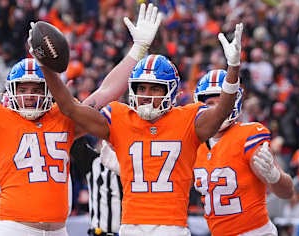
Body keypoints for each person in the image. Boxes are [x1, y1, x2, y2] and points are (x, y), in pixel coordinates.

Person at [0, 0, 162, 234]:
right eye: (23, 89)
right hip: (16, 228)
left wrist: (138, 50)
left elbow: (106, 91)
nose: (29, 95)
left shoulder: (62, 116)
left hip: (58, 230)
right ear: (11, 91)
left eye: (35, 88)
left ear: (48, 91)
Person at [32, 16, 244, 235]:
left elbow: (221, 112)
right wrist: (45, 66)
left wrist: (233, 70)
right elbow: (70, 109)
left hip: (171, 227)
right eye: (141, 88)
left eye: (155, 89)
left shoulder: (188, 118)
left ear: (170, 91)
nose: (146, 95)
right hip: (131, 226)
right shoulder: (120, 116)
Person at [192, 69, 294, 235]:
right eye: (210, 103)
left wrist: (274, 176)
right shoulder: (196, 145)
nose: (218, 109)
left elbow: (287, 192)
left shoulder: (248, 135)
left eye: (223, 101)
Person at [71, 138, 122, 236]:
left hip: (127, 231)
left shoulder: (132, 162)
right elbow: (75, 140)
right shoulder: (93, 162)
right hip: (100, 232)